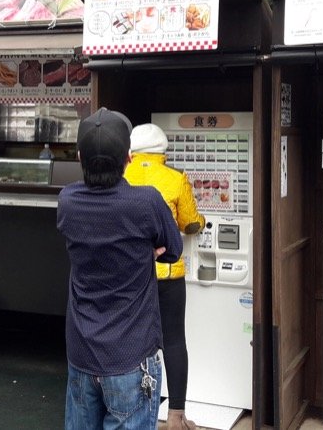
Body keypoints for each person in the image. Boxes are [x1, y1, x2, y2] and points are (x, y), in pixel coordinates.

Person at [57, 108, 183, 430]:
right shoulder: (145, 201)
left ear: (80, 156)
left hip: (81, 351)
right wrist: (144, 253)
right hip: (130, 355)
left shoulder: (67, 200)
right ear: (128, 157)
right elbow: (173, 250)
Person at [124, 123, 205, 430]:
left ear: (130, 152)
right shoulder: (175, 178)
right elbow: (190, 223)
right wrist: (200, 221)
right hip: (169, 274)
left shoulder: (122, 177)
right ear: (163, 152)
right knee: (173, 340)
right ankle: (176, 416)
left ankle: (133, 408)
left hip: (131, 274)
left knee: (131, 339)